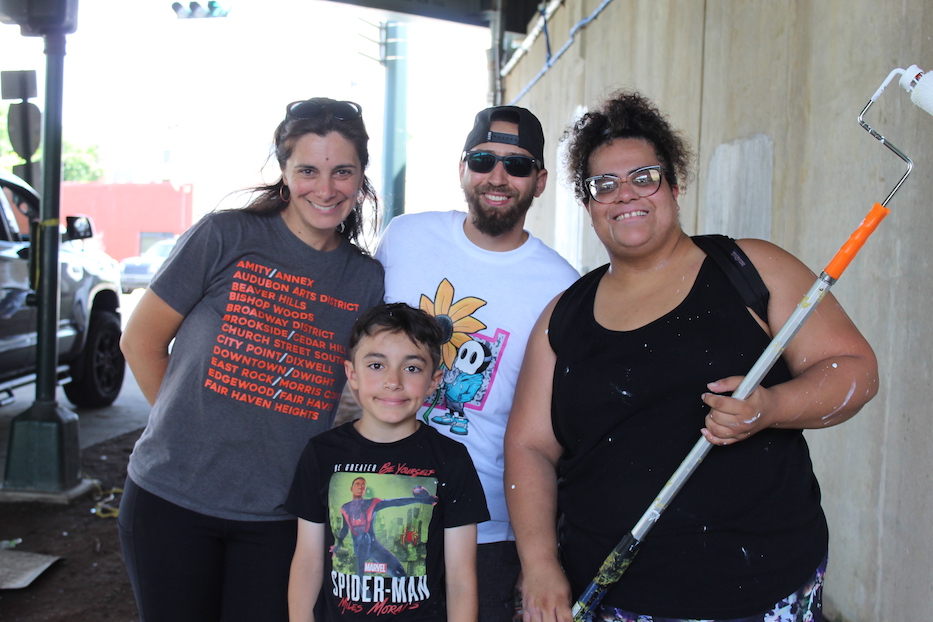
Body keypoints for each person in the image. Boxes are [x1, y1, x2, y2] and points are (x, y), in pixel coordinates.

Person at [503, 90, 880, 622]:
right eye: (603, 185)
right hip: (614, 599)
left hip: (762, 591)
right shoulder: (563, 316)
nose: (624, 194)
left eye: (644, 177)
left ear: (675, 186)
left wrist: (769, 407)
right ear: (588, 205)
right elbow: (529, 447)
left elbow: (855, 370)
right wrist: (540, 565)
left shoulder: (751, 269)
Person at [117, 97, 386, 622]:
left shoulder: (365, 280)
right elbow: (141, 342)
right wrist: (184, 431)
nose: (325, 188)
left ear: (360, 178)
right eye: (308, 169)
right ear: (284, 172)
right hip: (170, 502)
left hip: (278, 517)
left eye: (342, 172)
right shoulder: (225, 236)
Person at [375, 105, 580, 620]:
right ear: (462, 167)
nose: (498, 176)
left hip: (487, 528)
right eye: (484, 159)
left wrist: (541, 556)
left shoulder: (561, 287)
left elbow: (557, 428)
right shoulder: (404, 237)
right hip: (380, 506)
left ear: (539, 181)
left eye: (517, 165)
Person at [286, 302, 490, 621]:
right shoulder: (321, 453)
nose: (393, 381)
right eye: (377, 365)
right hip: (353, 561)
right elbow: (308, 561)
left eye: (411, 368)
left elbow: (461, 577)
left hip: (398, 578)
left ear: (434, 381)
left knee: (392, 564)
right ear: (351, 374)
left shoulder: (451, 459)